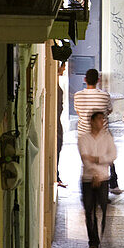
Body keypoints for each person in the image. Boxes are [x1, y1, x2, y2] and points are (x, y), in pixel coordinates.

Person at [74, 67, 122, 194]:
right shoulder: (104, 96)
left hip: (84, 135)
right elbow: (108, 111)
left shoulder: (78, 95)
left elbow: (78, 112)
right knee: (104, 162)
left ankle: (88, 189)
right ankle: (109, 186)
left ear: (85, 80)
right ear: (98, 80)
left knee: (87, 162)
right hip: (102, 135)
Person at [77, 110, 117, 248]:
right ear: (92, 121)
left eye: (103, 119)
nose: (102, 122)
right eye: (99, 119)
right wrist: (94, 173)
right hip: (88, 179)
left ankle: (101, 237)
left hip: (104, 179)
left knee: (103, 210)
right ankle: (93, 241)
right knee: (89, 210)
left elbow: (113, 155)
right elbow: (85, 158)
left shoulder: (107, 138)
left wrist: (98, 159)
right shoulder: (83, 139)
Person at [56, 58, 67, 186]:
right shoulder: (55, 86)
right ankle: (56, 175)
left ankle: (56, 174)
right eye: (63, 65)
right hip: (57, 125)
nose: (64, 68)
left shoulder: (57, 84)